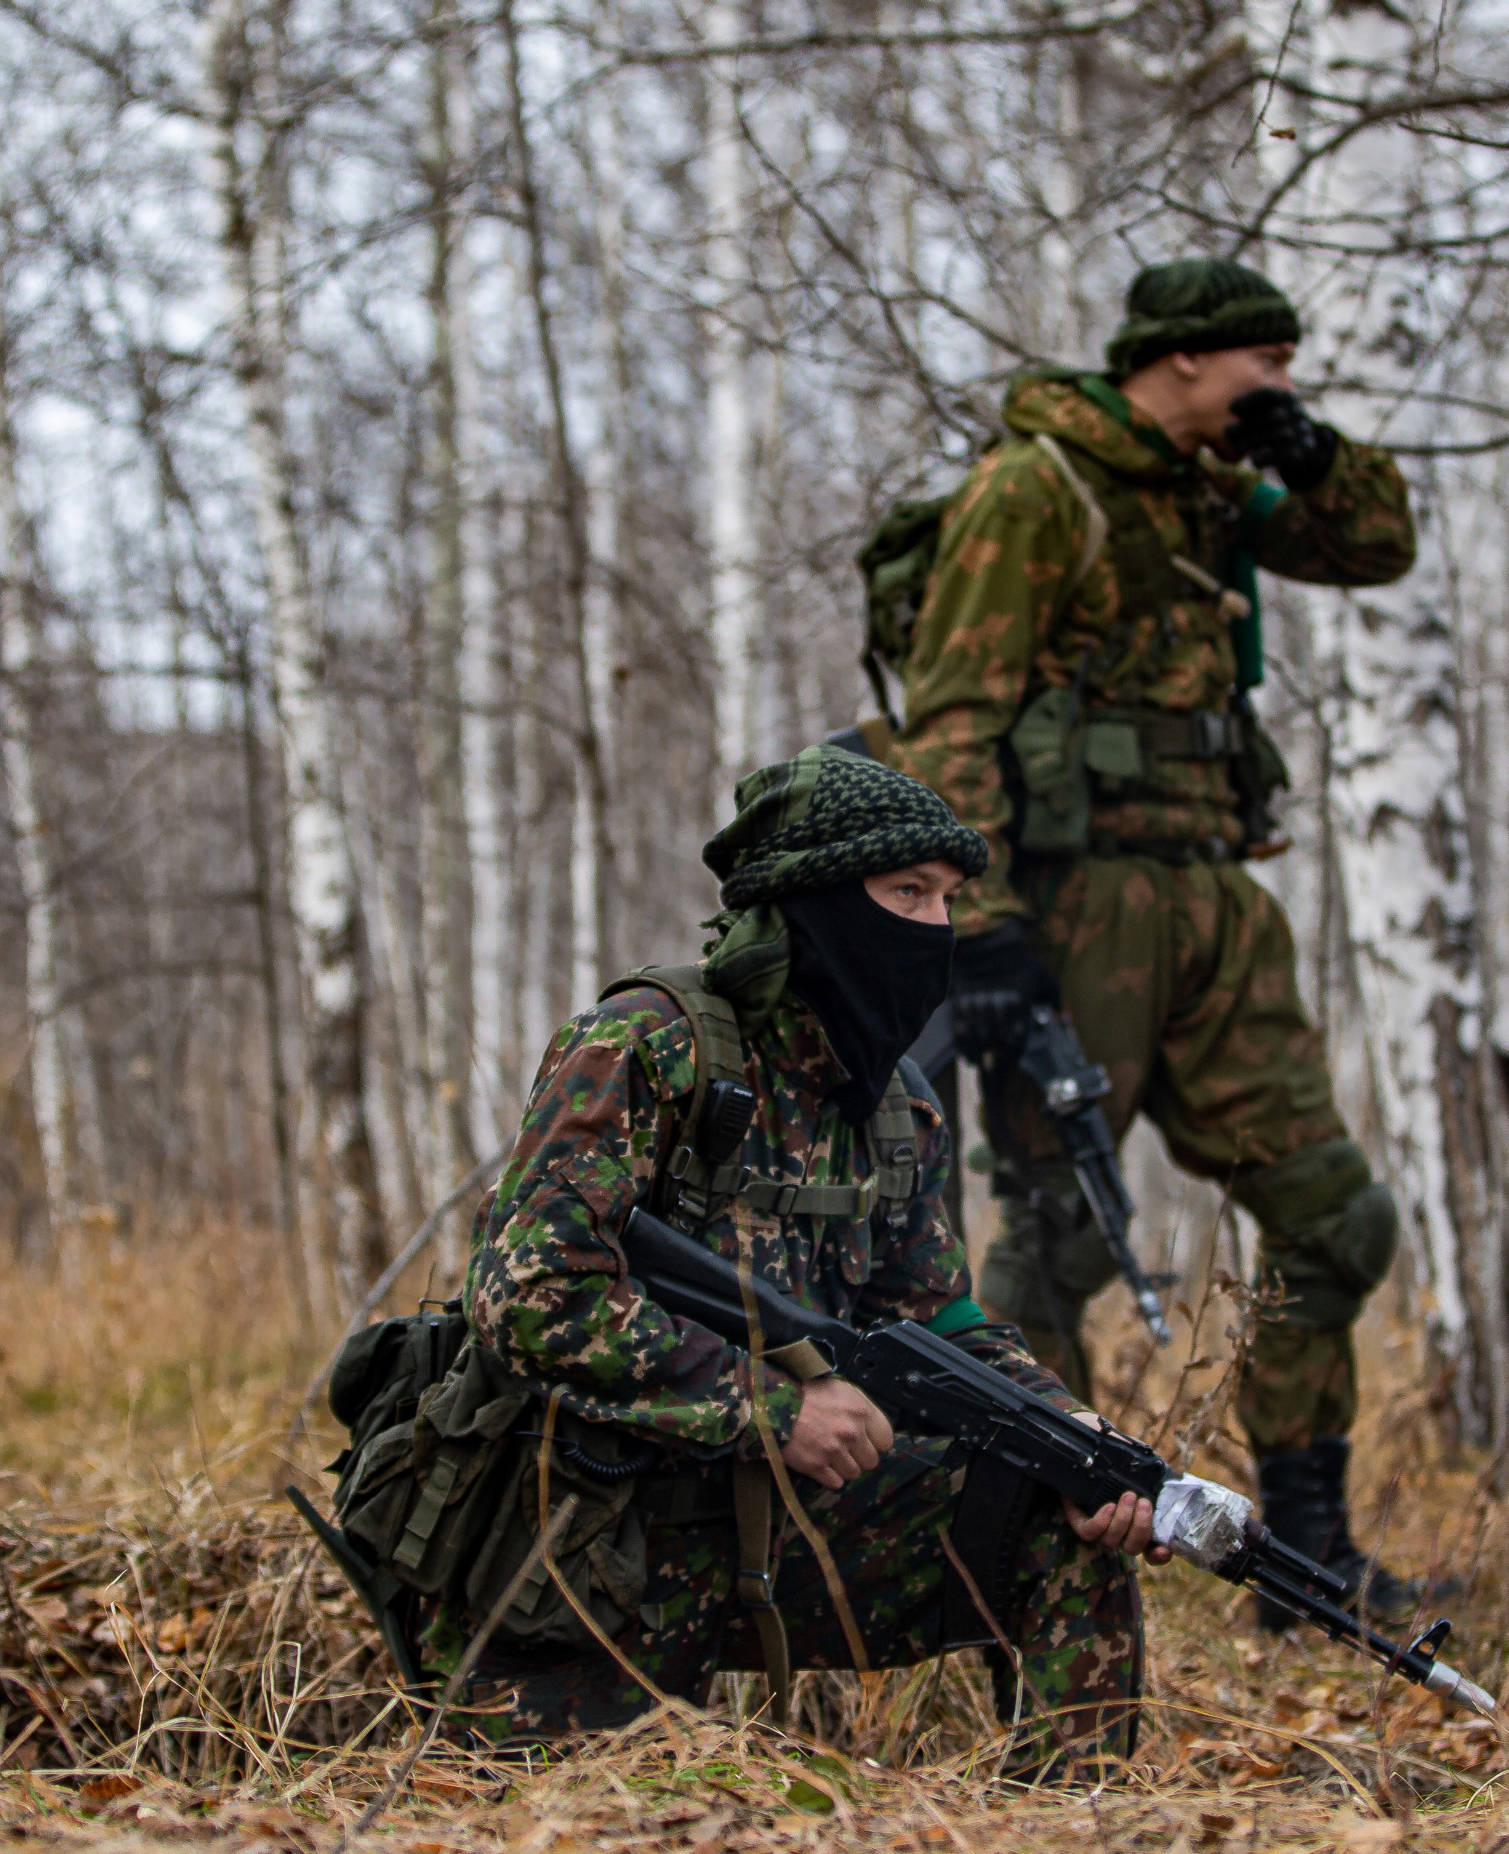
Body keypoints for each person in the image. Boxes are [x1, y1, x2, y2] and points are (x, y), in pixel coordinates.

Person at [432, 746, 1163, 1762]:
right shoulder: (647, 1044)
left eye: (949, 899)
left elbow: (936, 1320)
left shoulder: (897, 1104)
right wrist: (775, 1412)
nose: (936, 928)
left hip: (785, 1528)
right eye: (907, 892)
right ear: (810, 899)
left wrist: (1062, 1428)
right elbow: (529, 1295)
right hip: (593, 1538)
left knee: (1059, 1513)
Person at [884, 255, 1424, 1624]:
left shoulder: (1217, 492)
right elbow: (952, 714)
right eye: (1269, 367)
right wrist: (982, 930)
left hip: (1217, 897)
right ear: (1184, 359)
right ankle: (1024, 1548)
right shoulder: (1038, 490)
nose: (1283, 387)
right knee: (1056, 1239)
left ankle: (1308, 1557)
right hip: (1079, 904)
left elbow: (1376, 545)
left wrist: (1314, 454)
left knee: (1332, 1213)